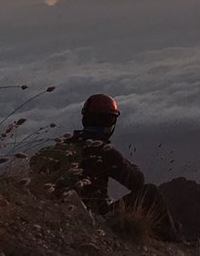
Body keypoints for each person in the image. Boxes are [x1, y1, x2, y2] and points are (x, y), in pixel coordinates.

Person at [31, 93, 180, 242]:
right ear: (109, 122)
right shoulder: (104, 152)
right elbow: (137, 182)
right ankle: (174, 239)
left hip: (63, 209)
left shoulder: (65, 145)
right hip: (97, 216)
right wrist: (123, 160)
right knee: (151, 192)